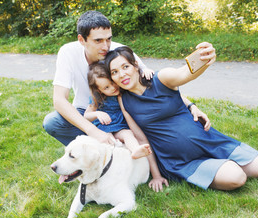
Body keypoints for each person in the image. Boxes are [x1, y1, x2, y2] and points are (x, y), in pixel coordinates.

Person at [104, 43, 258, 191]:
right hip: (180, 161)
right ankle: (220, 169)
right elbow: (142, 140)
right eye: (115, 72)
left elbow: (184, 73)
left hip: (209, 141)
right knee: (236, 177)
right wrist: (156, 175)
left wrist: (204, 57)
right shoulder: (124, 102)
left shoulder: (161, 79)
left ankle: (222, 164)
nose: (121, 75)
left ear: (135, 65)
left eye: (125, 67)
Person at [43, 10, 209, 149]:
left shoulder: (118, 51)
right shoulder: (68, 53)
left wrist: (190, 105)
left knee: (145, 129)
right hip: (89, 111)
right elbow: (59, 100)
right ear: (82, 40)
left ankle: (125, 148)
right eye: (98, 40)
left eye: (108, 38)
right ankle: (96, 148)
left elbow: (155, 85)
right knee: (52, 122)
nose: (105, 46)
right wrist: (94, 131)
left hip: (124, 109)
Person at [84, 62, 151, 159]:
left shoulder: (125, 90)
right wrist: (97, 113)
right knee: (109, 141)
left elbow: (137, 76)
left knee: (128, 134)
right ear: (99, 90)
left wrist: (146, 71)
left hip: (121, 126)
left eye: (112, 83)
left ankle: (136, 149)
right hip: (104, 128)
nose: (113, 88)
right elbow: (86, 116)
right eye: (106, 87)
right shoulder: (97, 98)